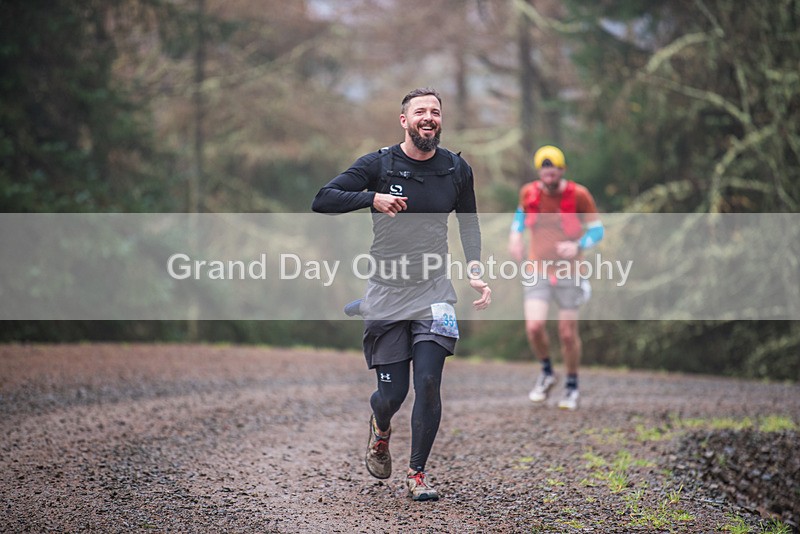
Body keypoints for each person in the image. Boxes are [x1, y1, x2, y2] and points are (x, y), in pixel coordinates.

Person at [311, 87, 491, 501]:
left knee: (428, 381)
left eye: (435, 112)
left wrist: (476, 270)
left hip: (434, 291)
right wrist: (371, 197)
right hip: (388, 291)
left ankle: (417, 474)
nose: (429, 118)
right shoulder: (379, 163)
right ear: (404, 121)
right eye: (420, 112)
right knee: (392, 395)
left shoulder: (456, 169)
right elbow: (322, 199)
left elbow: (469, 223)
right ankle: (380, 426)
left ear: (440, 120)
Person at [508, 145, 603, 410]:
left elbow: (597, 231)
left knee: (567, 333)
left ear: (562, 170)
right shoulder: (529, 192)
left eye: (553, 168)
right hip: (537, 269)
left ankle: (571, 386)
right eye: (544, 168)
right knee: (535, 326)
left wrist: (578, 245)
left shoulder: (580, 195)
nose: (548, 173)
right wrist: (515, 236)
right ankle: (547, 372)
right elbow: (519, 215)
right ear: (540, 171)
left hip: (569, 273)